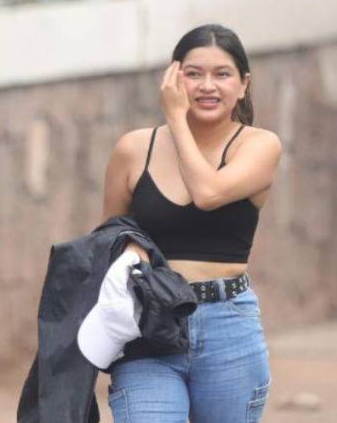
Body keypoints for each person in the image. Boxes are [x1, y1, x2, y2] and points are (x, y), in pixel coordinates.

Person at [101, 24, 281, 422]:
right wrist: (127, 245)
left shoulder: (259, 145)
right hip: (150, 326)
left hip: (228, 328)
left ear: (243, 84)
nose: (207, 86)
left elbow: (208, 193)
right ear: (173, 77)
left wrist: (177, 121)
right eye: (194, 73)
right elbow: (108, 234)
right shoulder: (134, 148)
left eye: (222, 74)